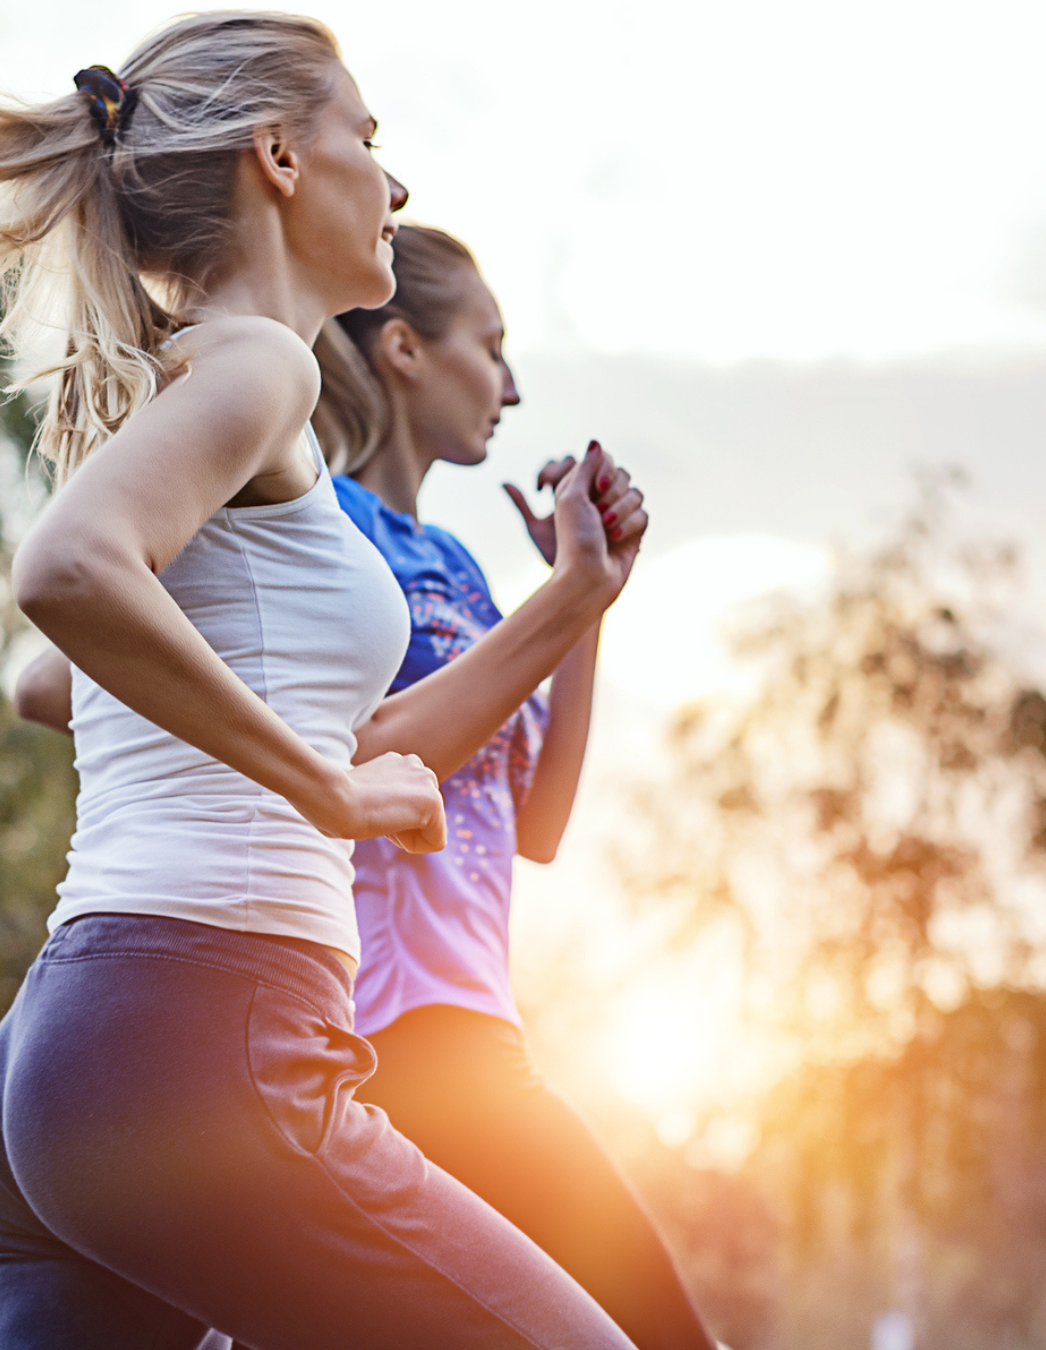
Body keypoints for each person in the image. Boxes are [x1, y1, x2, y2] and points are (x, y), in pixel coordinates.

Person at [0, 10, 639, 1345]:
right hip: (206, 1033)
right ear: (281, 158)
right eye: (369, 138)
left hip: (74, 1055)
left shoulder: (192, 382)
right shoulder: (257, 361)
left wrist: (574, 600)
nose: (395, 182)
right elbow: (68, 568)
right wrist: (323, 785)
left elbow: (365, 732)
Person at [318, 226, 718, 1350]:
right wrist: (563, 600)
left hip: (481, 1028)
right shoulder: (324, 534)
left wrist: (576, 601)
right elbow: (373, 759)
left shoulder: (452, 564)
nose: (513, 382)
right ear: (403, 348)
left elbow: (538, 822)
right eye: (490, 347)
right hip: (394, 1036)